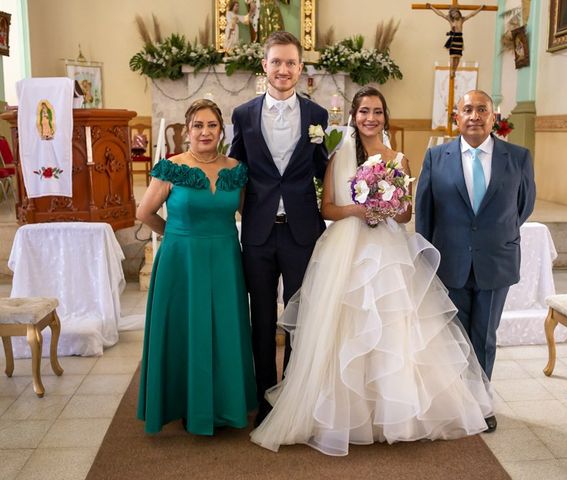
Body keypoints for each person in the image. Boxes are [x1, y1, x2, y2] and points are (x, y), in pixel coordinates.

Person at [250, 86, 494, 456]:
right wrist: (359, 211)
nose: (370, 118)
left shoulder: (398, 159)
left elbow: (406, 214)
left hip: (388, 251)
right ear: (354, 115)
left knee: (393, 327)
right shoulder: (340, 154)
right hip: (347, 249)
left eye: (377, 112)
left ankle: (390, 413)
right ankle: (343, 414)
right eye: (364, 111)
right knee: (347, 328)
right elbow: (328, 208)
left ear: (385, 116)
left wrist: (386, 207)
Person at [415, 90, 536, 432]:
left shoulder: (518, 157)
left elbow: (523, 206)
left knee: (484, 336)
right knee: (452, 336)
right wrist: (428, 257)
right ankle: (455, 402)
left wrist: (492, 234)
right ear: (456, 117)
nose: (474, 116)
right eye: (467, 109)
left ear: (493, 117)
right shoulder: (437, 157)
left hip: (496, 260)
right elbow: (425, 213)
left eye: (481, 109)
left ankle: (481, 405)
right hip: (450, 260)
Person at [136, 99, 257, 435]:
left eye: (212, 126)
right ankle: (185, 404)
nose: (205, 132)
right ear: (187, 131)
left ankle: (225, 404)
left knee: (224, 327)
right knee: (185, 328)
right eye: (198, 126)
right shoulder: (170, 168)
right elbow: (144, 213)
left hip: (225, 258)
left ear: (222, 131)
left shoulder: (237, 170)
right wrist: (175, 235)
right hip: (181, 260)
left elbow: (247, 214)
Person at [229, 31, 329, 428]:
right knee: (262, 317)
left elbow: (326, 168)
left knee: (299, 315)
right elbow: (234, 168)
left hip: (303, 231)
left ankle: (291, 392)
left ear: (300, 68)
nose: (283, 69)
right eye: (276, 62)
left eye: (290, 62)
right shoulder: (243, 114)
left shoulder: (318, 116)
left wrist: (367, 186)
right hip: (257, 231)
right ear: (264, 66)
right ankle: (263, 395)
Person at [428, 4, 484, 78]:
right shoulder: (450, 20)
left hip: (459, 39)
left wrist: (480, 8)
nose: (455, 14)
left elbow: (472, 14)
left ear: (459, 13)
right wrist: (432, 7)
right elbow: (440, 14)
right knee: (452, 56)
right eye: (454, 13)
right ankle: (451, 71)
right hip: (453, 39)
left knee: (458, 56)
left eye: (456, 13)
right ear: (451, 15)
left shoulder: (462, 19)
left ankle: (454, 70)